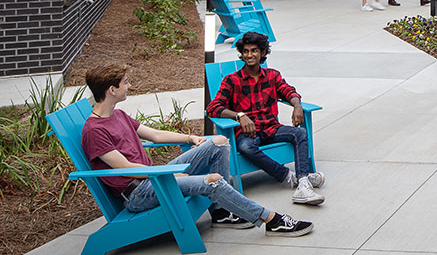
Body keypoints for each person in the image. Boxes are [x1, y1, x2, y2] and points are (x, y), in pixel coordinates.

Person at [81, 64, 313, 237]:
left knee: (218, 142)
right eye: (125, 82)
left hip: (154, 178)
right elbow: (125, 169)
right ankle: (271, 220)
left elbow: (156, 135)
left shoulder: (118, 115)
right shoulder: (94, 131)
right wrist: (168, 175)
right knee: (212, 181)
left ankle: (221, 212)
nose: (129, 86)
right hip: (138, 192)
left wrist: (191, 137)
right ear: (112, 89)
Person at [206, 31, 325, 206]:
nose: (249, 55)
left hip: (271, 128)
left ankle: (302, 183)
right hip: (249, 132)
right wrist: (239, 116)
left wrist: (297, 105)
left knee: (300, 134)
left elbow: (288, 91)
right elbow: (213, 107)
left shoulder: (272, 76)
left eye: (254, 51)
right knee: (245, 147)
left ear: (262, 53)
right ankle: (290, 177)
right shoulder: (232, 80)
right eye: (245, 51)